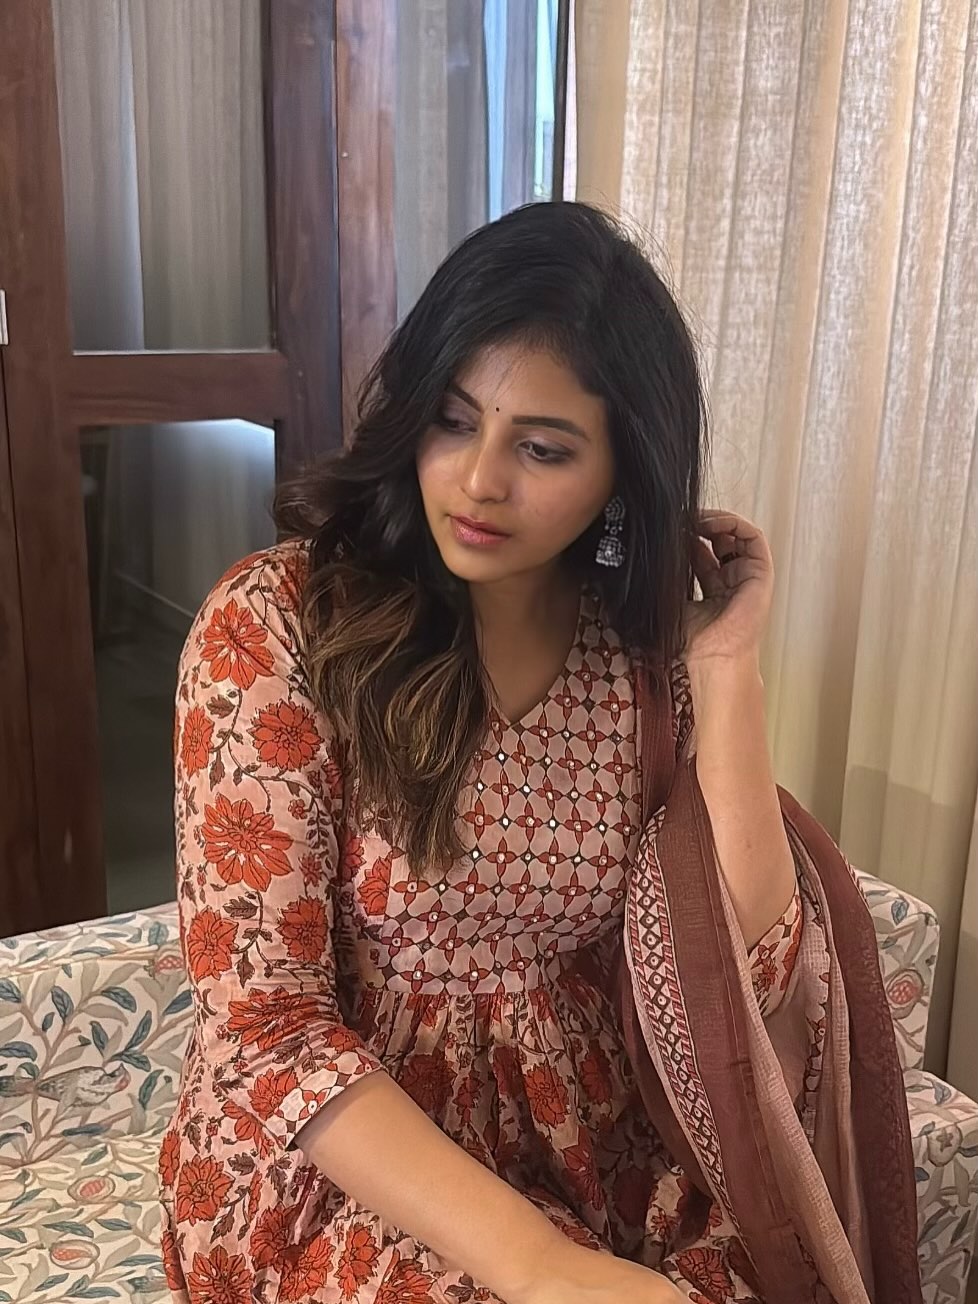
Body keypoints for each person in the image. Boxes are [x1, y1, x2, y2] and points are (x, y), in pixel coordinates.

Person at [158, 202, 921, 1304]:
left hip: (597, 1149)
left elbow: (748, 970)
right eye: (453, 420)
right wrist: (543, 1265)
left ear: (622, 471)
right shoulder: (277, 626)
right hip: (342, 1167)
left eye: (543, 448)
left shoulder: (637, 657)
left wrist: (725, 668)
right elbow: (265, 1025)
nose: (478, 480)